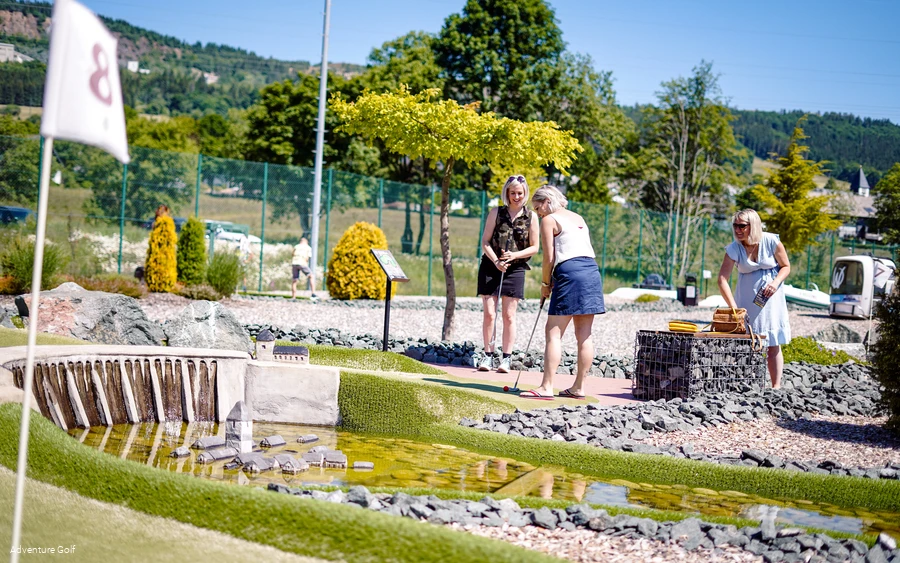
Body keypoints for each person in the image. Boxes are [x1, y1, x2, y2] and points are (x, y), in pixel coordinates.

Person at [521, 185, 605, 400]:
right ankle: (578, 387)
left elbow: (548, 258)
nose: (538, 213)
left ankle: (546, 387)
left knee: (553, 331)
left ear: (547, 201)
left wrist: (545, 284)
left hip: (570, 272)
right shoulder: (578, 217)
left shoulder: (549, 220)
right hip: (591, 272)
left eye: (538, 207)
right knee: (584, 333)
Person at [717, 208, 792, 389]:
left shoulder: (772, 241)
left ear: (754, 225)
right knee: (746, 341)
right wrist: (734, 308)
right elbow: (722, 279)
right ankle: (745, 385)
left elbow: (786, 266)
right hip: (746, 298)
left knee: (772, 342)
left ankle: (775, 386)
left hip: (770, 298)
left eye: (742, 226)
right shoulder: (734, 248)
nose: (737, 229)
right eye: (735, 225)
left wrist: (775, 283)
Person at [476, 175, 540, 373]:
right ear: (507, 193)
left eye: (519, 193)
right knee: (489, 313)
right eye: (512, 193)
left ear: (525, 194)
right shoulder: (496, 212)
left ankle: (506, 358)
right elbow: (485, 241)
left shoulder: (531, 217)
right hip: (490, 266)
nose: (516, 196)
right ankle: (487, 356)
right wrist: (496, 261)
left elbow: (535, 247)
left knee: (509, 315)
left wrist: (514, 256)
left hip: (515, 269)